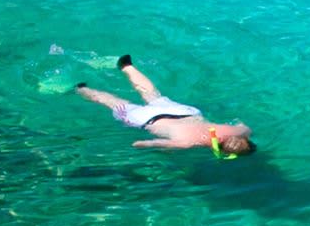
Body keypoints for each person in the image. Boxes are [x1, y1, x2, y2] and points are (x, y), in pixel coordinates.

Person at [74, 55, 255, 155]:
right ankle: (81, 89)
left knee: (151, 93)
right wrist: (143, 144)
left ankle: (127, 66)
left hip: (183, 112)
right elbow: (144, 144)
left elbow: (242, 125)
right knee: (115, 103)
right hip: (149, 120)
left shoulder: (238, 132)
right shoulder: (187, 144)